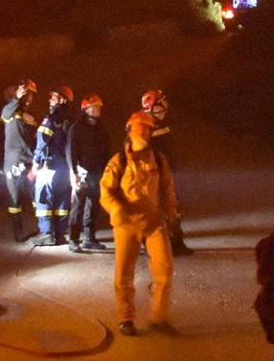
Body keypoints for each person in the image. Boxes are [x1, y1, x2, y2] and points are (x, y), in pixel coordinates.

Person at [100, 110, 178, 336]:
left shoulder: (159, 160)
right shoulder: (119, 160)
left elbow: (167, 189)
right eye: (139, 126)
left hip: (154, 223)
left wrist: (171, 213)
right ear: (130, 129)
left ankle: (159, 317)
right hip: (127, 223)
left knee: (165, 268)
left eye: (148, 128)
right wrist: (117, 210)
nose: (144, 131)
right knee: (124, 273)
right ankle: (126, 317)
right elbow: (105, 191)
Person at [141, 89, 193, 256]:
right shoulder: (141, 126)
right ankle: (151, 246)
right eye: (162, 103)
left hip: (165, 173)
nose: (165, 107)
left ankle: (177, 243)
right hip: (151, 176)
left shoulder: (162, 124)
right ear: (153, 106)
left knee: (172, 208)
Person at [66, 95, 113, 253]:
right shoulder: (76, 129)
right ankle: (73, 239)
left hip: (98, 172)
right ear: (85, 109)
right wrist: (73, 173)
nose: (97, 110)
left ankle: (89, 238)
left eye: (99, 108)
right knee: (78, 206)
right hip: (82, 172)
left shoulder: (101, 128)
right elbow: (71, 152)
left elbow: (106, 150)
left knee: (93, 206)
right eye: (94, 107)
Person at [32, 86, 75, 244]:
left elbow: (43, 139)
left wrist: (36, 160)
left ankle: (46, 233)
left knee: (44, 197)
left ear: (62, 100)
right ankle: (60, 233)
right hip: (65, 165)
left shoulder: (51, 118)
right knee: (62, 200)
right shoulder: (72, 118)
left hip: (49, 164)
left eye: (53, 97)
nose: (50, 100)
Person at [0, 78, 40, 241]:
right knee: (14, 198)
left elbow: (34, 136)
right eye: (27, 93)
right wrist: (16, 98)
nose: (29, 96)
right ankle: (18, 233)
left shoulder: (28, 113)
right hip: (13, 163)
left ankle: (44, 228)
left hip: (28, 160)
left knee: (35, 193)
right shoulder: (11, 111)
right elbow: (5, 114)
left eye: (31, 94)